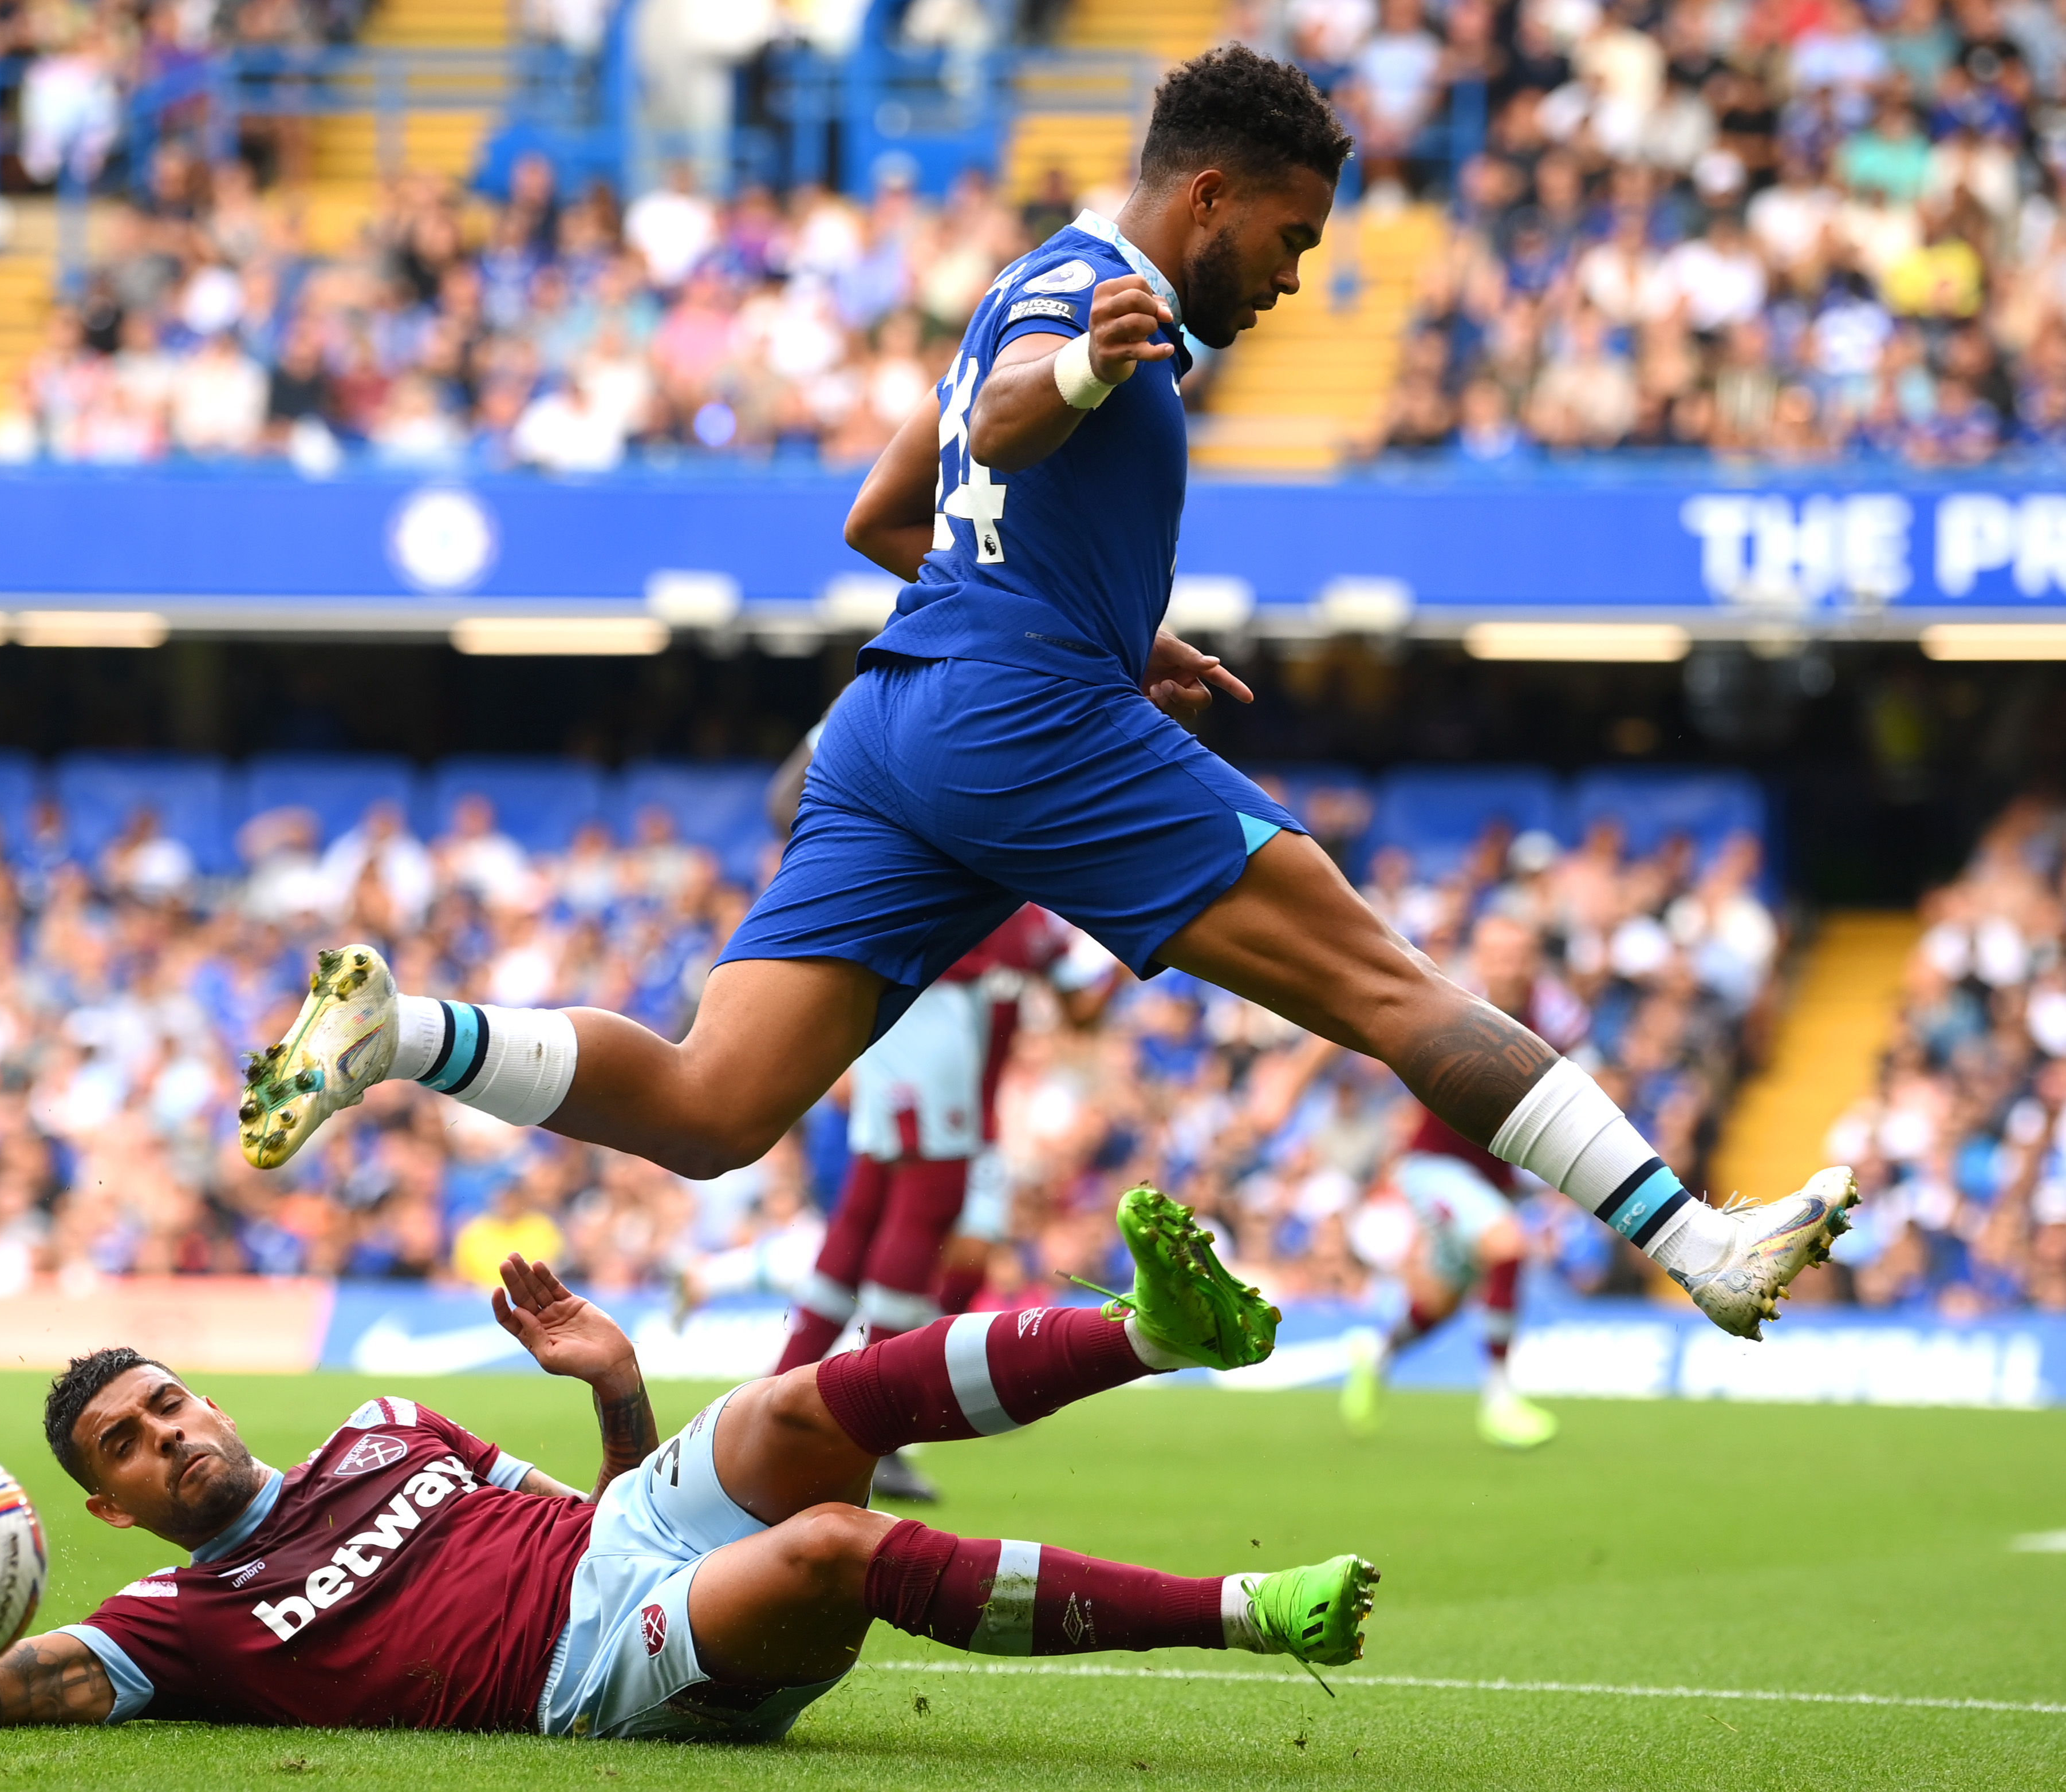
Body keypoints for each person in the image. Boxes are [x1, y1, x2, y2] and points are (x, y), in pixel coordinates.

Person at [235, 45, 1852, 1345]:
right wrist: (1082, 379)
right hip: (1019, 720)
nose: (1288, 278)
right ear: (1209, 196)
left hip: (897, 724)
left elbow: (888, 517)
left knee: (712, 1103)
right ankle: (1689, 1240)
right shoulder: (1093, 300)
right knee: (1387, 986)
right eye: (1287, 237)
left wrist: (1096, 613)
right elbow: (1014, 416)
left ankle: (412, 1034)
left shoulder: (1028, 278)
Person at [0, 1193, 1379, 1740]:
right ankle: (1250, 1609)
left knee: (786, 1407)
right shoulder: (167, 1622)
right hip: (605, 1667)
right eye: (128, 1440)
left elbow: (590, 1514)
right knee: (828, 1539)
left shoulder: (386, 1427)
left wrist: (610, 1385)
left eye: (170, 1398)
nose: (170, 1427)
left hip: (620, 1539)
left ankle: (1157, 1327)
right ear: (103, 1505)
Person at [774, 903, 1115, 1503]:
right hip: (927, 1030)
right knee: (922, 1216)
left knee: (883, 1222)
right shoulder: (963, 873)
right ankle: (874, 1420)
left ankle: (782, 1401)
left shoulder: (1032, 920)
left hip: (966, 1106)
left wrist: (1135, 951)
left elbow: (1080, 1009)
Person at [1340, 915, 1578, 1450]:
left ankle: (1374, 1354)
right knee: (1508, 1246)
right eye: (1497, 953)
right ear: (1480, 957)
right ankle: (1499, 1398)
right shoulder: (1455, 1007)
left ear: (1533, 957)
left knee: (1441, 1302)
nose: (1508, 964)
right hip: (1434, 1168)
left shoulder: (1555, 1016)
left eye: (1518, 953)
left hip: (1495, 1179)